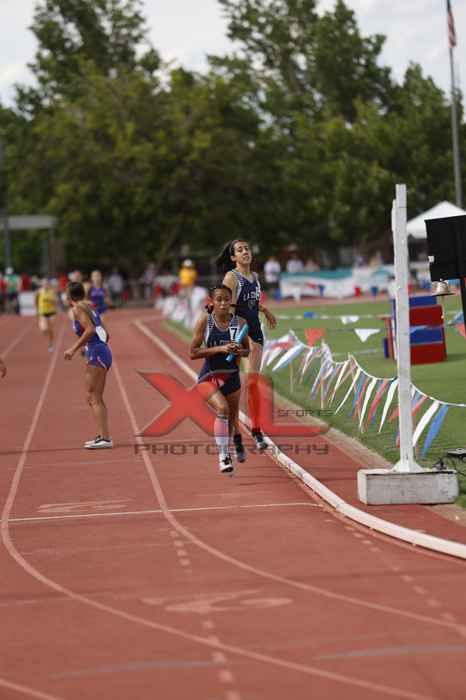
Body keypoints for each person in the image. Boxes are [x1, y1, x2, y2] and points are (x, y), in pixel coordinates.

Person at [217, 239, 277, 450]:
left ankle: (257, 430)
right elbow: (228, 307)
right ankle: (229, 429)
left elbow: (250, 302)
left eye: (247, 248)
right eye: (240, 250)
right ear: (233, 257)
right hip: (238, 334)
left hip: (255, 332)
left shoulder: (255, 277)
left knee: (253, 382)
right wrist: (231, 335)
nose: (245, 252)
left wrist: (264, 309)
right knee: (231, 385)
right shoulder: (231, 277)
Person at [190, 284, 250, 473]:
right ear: (212, 302)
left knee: (231, 418)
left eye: (226, 299)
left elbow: (247, 351)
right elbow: (193, 353)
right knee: (222, 409)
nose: (223, 303)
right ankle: (223, 457)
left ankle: (231, 447)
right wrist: (221, 349)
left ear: (231, 301)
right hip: (209, 376)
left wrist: (239, 350)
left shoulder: (239, 323)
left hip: (232, 377)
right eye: (219, 299)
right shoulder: (205, 321)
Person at [64, 282, 113, 449]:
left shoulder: (78, 309)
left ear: (68, 296)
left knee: (94, 396)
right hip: (100, 351)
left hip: (97, 352)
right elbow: (105, 333)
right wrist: (90, 347)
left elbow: (90, 330)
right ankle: (102, 436)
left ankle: (105, 438)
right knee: (93, 396)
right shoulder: (89, 307)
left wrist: (74, 348)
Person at [36, 278, 58, 351]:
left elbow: (56, 301)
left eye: (47, 283)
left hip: (51, 312)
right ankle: (44, 329)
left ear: (49, 284)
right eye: (44, 283)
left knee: (50, 329)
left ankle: (51, 344)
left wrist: (53, 301)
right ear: (42, 284)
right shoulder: (39, 291)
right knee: (44, 329)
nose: (45, 285)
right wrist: (37, 310)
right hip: (42, 312)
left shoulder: (52, 291)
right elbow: (35, 301)